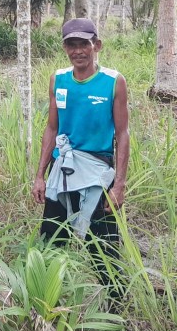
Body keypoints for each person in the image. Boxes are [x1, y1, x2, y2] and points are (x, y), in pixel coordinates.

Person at [31, 18, 130, 307]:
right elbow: (52, 128)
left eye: (84, 44)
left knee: (104, 248)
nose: (78, 51)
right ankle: (47, 306)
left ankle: (116, 312)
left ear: (96, 45)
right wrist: (40, 175)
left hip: (98, 175)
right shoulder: (58, 79)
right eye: (71, 45)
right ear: (64, 48)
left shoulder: (113, 81)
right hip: (62, 172)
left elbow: (122, 133)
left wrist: (120, 184)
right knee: (51, 241)